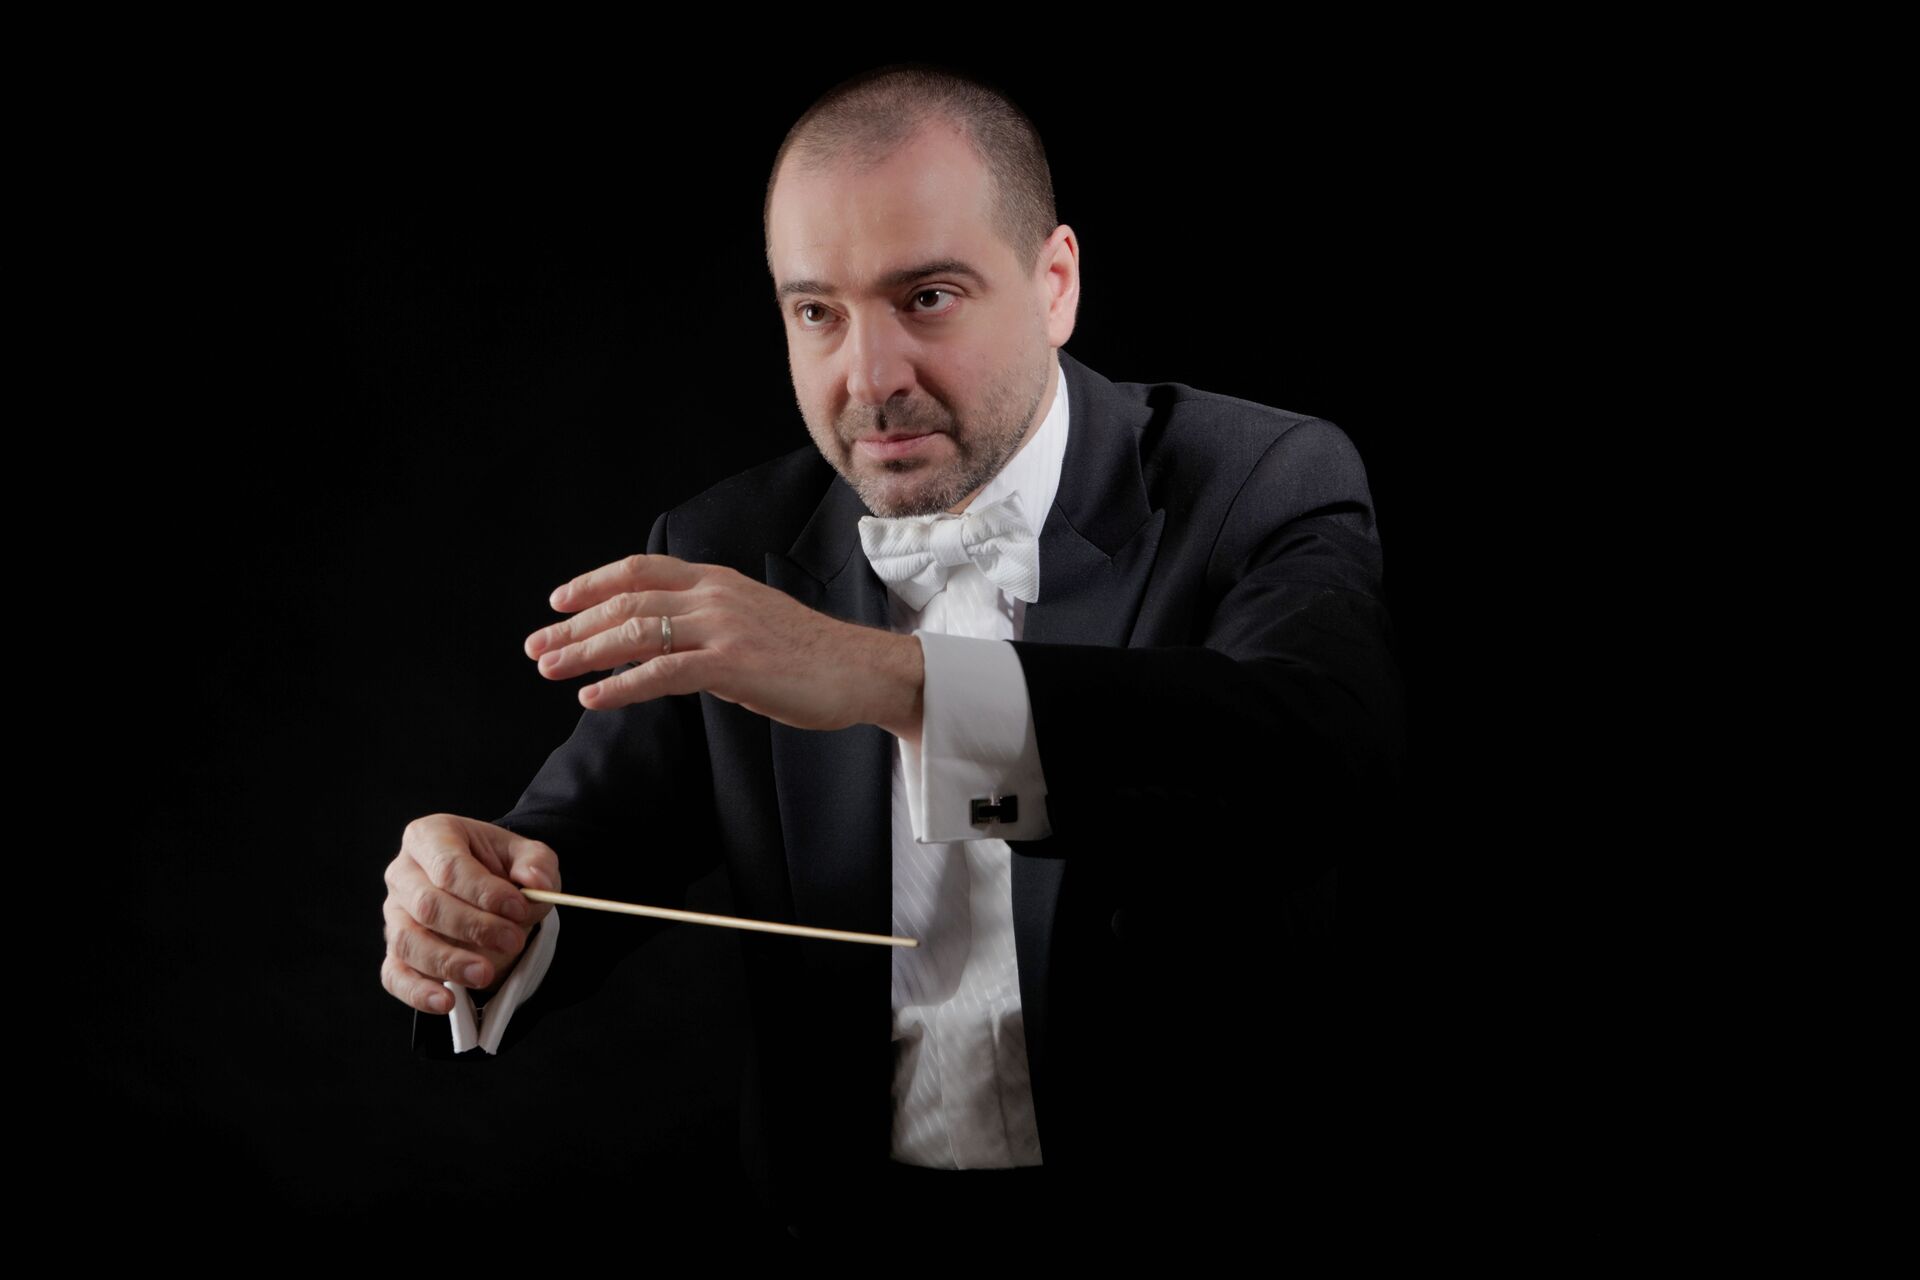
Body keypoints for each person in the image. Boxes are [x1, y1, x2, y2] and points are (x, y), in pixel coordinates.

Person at [380, 63, 1402, 1244]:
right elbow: (573, 857)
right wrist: (473, 906)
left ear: (1056, 284)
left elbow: (1319, 752)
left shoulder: (1262, 479)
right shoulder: (724, 545)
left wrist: (884, 676)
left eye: (927, 296)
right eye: (817, 311)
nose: (869, 379)